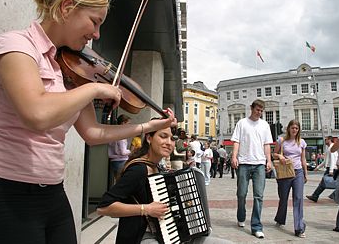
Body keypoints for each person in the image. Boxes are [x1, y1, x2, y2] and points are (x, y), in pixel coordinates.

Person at [0, 0, 177, 243]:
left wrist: (148, 126)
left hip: (54, 194)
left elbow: (93, 133)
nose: (97, 35)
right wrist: (93, 90)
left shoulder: (67, 69)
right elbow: (36, 114)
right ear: (67, 7)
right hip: (10, 193)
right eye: (95, 22)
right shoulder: (17, 47)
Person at [97, 125, 233, 244]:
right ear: (149, 138)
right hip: (143, 236)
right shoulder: (138, 169)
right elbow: (104, 207)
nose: (169, 143)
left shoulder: (159, 168)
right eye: (163, 136)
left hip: (171, 234)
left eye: (172, 139)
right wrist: (146, 209)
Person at [231, 99, 273, 239]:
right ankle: (241, 216)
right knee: (241, 193)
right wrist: (234, 157)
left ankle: (256, 226)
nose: (259, 113)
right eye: (257, 110)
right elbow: (236, 141)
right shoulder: (242, 123)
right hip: (243, 162)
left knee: (258, 196)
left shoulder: (265, 125)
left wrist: (269, 160)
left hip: (260, 163)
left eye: (261, 111)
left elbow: (267, 144)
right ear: (252, 108)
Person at [273, 120, 308, 238]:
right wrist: (280, 156)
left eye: (296, 128)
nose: (294, 130)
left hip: (298, 172)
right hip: (285, 172)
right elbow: (274, 154)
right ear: (288, 129)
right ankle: (280, 218)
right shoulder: (281, 140)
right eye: (292, 128)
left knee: (298, 199)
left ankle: (299, 228)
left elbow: (303, 159)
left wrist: (305, 174)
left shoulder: (302, 142)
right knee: (283, 198)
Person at [306, 136, 338, 202]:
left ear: (329, 140)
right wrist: (318, 167)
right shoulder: (328, 148)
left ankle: (316, 196)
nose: (325, 140)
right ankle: (315, 196)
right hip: (331, 168)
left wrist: (331, 170)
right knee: (324, 183)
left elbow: (333, 160)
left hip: (332, 168)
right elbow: (326, 161)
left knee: (330, 183)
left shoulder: (332, 147)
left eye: (326, 139)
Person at [108, 114, 132, 183]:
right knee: (123, 182)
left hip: (114, 161)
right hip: (121, 161)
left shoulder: (113, 133)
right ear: (123, 123)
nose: (129, 126)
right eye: (128, 123)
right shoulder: (121, 135)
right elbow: (123, 152)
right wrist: (131, 151)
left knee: (118, 181)